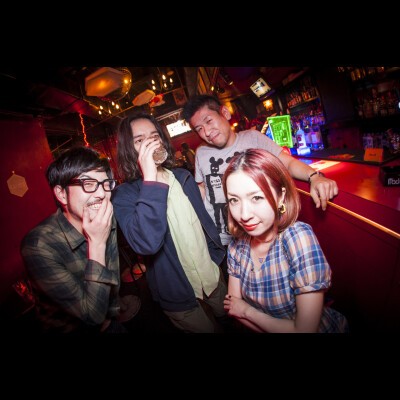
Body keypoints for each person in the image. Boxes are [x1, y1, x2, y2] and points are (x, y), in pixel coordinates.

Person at [112, 112, 228, 333]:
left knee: (228, 320)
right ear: (129, 149)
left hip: (212, 275)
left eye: (154, 136)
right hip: (176, 292)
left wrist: (215, 258)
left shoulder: (183, 177)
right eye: (140, 140)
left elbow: (203, 223)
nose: (150, 144)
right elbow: (146, 243)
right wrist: (150, 177)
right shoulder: (124, 195)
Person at [182, 94, 339, 248]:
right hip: (220, 239)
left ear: (225, 113)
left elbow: (288, 163)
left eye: (209, 121)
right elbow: (202, 189)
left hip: (257, 233)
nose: (207, 132)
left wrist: (314, 176)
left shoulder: (253, 138)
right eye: (199, 129)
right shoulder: (201, 152)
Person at [222, 149, 348, 333]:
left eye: (256, 197)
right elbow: (234, 308)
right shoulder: (236, 246)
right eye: (234, 200)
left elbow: (304, 330)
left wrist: (247, 311)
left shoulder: (297, 238)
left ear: (281, 196)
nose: (244, 214)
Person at [20, 146, 132, 333]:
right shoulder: (38, 245)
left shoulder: (104, 216)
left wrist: (113, 315)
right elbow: (92, 316)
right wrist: (97, 244)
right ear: (61, 194)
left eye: (105, 183)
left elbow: (112, 274)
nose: (101, 193)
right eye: (88, 183)